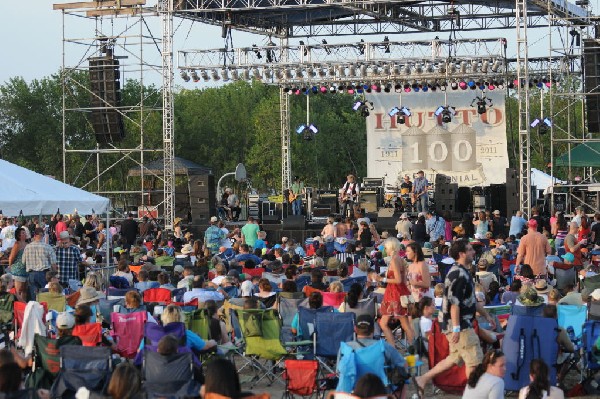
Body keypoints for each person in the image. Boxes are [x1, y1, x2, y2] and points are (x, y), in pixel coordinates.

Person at [414, 240, 495, 397]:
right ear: (462, 254)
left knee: (454, 358)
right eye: (470, 250)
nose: (473, 252)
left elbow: (469, 300)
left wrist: (486, 314)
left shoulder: (462, 272)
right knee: (474, 361)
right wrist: (457, 328)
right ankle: (472, 395)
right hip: (461, 326)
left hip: (459, 324)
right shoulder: (458, 274)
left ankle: (422, 379)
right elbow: (454, 304)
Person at [340, 314, 407, 398]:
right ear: (373, 329)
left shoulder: (346, 348)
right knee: (403, 379)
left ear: (355, 329)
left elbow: (340, 372)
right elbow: (402, 364)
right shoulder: (383, 346)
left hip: (354, 392)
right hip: (381, 391)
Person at [377, 237, 414, 346]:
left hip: (394, 294)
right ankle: (412, 349)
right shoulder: (400, 259)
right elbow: (403, 280)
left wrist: (382, 279)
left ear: (390, 248)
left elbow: (398, 280)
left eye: (386, 248)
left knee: (384, 324)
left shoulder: (394, 260)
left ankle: (393, 348)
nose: (385, 250)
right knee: (405, 324)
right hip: (400, 292)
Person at [22, 227, 58, 299]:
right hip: (44, 274)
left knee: (34, 296)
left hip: (31, 274)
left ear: (34, 235)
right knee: (44, 296)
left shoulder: (27, 247)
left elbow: (23, 262)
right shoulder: (48, 247)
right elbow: (53, 263)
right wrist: (55, 273)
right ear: (43, 235)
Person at [8, 227, 28, 302]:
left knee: (25, 291)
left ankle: (23, 307)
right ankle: (18, 307)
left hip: (26, 270)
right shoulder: (17, 244)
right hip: (18, 270)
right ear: (19, 235)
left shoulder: (27, 244)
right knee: (18, 291)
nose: (25, 234)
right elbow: (11, 257)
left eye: (25, 232)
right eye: (23, 233)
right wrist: (10, 266)